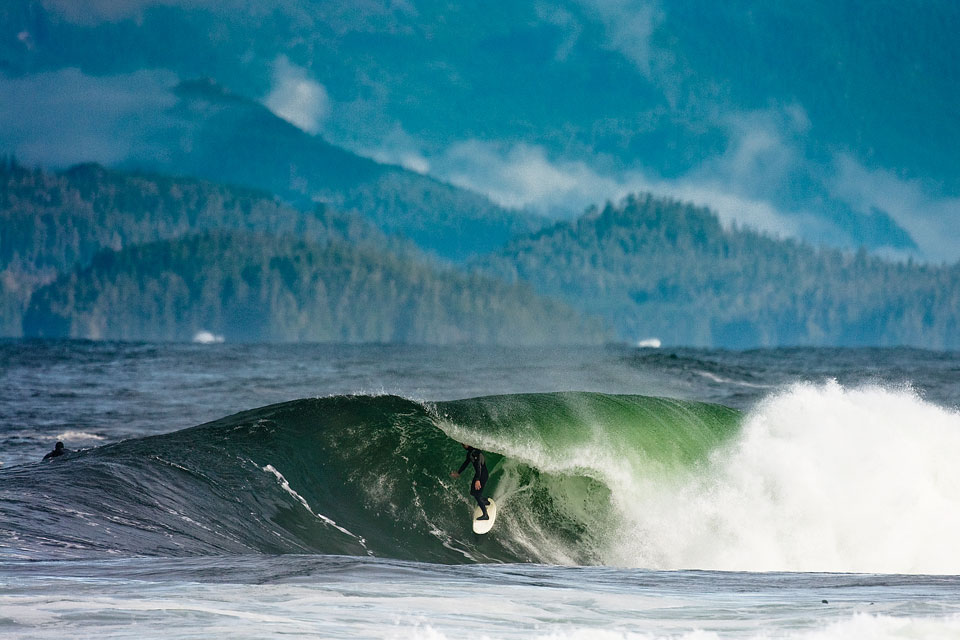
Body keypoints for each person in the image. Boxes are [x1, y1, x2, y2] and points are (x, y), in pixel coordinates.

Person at [450, 443, 490, 520]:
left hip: (482, 475)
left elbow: (479, 466)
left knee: (477, 495)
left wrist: (477, 479)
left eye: (464, 445)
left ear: (468, 444)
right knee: (473, 492)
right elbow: (466, 463)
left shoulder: (475, 452)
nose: (463, 446)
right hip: (479, 474)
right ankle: (485, 501)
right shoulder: (470, 453)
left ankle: (485, 515)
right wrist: (458, 473)